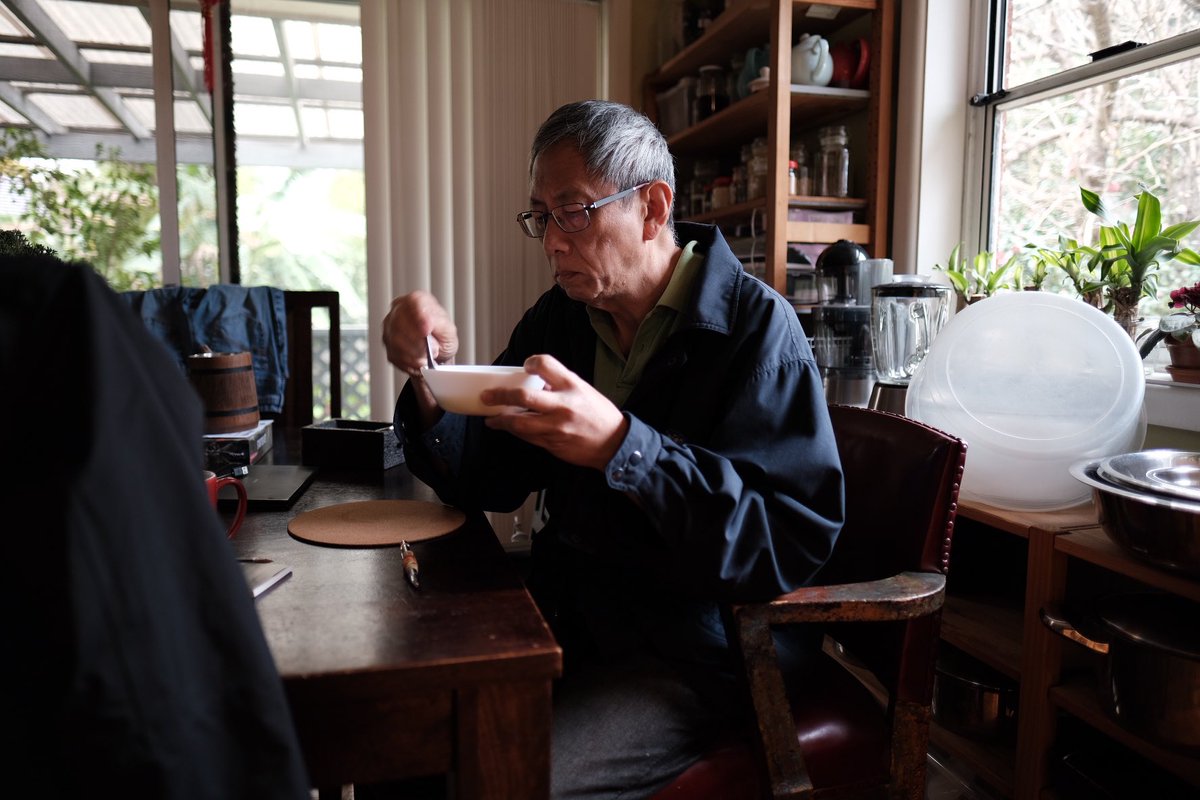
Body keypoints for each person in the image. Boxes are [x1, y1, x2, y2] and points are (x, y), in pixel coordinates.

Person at [383, 99, 844, 798]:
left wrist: (624, 449)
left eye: (573, 212)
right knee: (404, 743)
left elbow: (782, 543)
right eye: (543, 216)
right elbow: (490, 475)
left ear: (653, 208)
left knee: (503, 781)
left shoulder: (757, 331)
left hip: (692, 654)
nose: (552, 242)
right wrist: (428, 380)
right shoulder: (564, 318)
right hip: (569, 619)